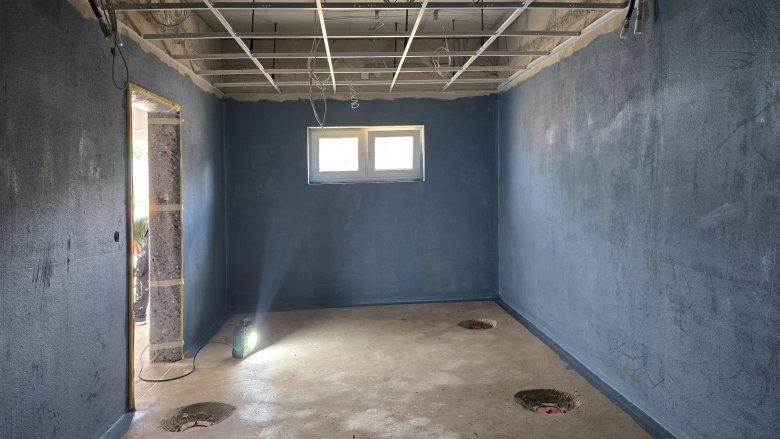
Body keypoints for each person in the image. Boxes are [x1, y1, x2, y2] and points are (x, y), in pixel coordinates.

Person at [133, 217, 150, 324]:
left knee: (141, 274)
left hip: (151, 230)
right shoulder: (138, 226)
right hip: (156, 227)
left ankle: (139, 315)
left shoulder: (131, 233)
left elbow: (136, 253)